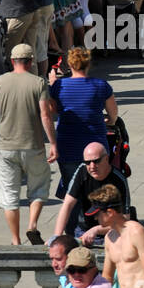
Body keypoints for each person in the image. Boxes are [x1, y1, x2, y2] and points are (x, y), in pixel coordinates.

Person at [0, 43, 58, 246]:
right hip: (33, 145)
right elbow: (45, 114)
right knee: (39, 186)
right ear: (31, 62)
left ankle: (15, 239)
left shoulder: (0, 82)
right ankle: (32, 225)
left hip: (6, 147)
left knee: (9, 194)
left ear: (12, 61)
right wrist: (53, 143)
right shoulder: (38, 83)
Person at [49, 49, 118, 191]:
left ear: (69, 64)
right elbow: (113, 114)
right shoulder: (101, 85)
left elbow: (55, 109)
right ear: (88, 64)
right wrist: (110, 121)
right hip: (96, 146)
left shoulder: (59, 86)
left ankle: (75, 212)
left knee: (72, 189)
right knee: (98, 189)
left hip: (68, 146)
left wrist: (53, 84)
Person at [53, 141, 131, 242]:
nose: (92, 166)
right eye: (87, 162)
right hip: (83, 230)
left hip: (112, 230)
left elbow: (125, 220)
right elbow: (67, 204)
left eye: (96, 161)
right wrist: (56, 237)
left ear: (106, 158)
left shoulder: (119, 180)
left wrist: (98, 230)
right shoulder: (82, 171)